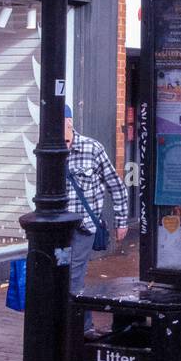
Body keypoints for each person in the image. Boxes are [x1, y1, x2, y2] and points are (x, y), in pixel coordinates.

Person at [64, 104, 129, 318]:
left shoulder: (92, 149)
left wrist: (121, 222)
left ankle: (80, 327)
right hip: (56, 229)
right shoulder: (48, 149)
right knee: (60, 275)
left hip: (83, 226)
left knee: (73, 274)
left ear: (69, 123)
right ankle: (73, 324)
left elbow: (116, 186)